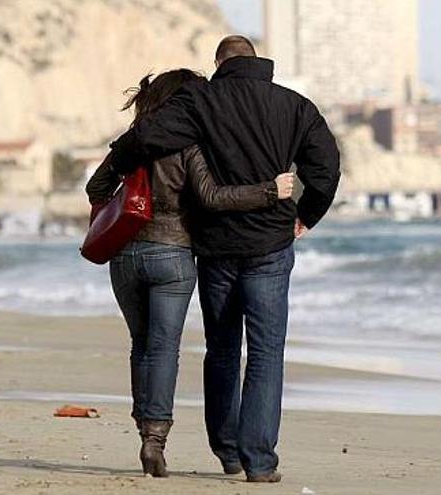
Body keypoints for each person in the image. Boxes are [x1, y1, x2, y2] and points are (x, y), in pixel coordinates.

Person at [104, 36, 341, 482]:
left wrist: (114, 167)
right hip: (270, 246)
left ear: (218, 63)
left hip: (215, 249)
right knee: (267, 354)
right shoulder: (295, 106)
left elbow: (148, 137)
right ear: (257, 61)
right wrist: (307, 216)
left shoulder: (201, 101)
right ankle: (260, 462)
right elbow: (326, 168)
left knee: (223, 350)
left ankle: (228, 453)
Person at [85, 69, 296, 478]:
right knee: (164, 348)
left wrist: (128, 208)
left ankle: (144, 430)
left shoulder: (131, 144)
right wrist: (270, 190)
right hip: (172, 256)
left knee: (141, 345)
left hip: (125, 256)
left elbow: (96, 189)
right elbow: (213, 199)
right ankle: (155, 440)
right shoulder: (187, 145)